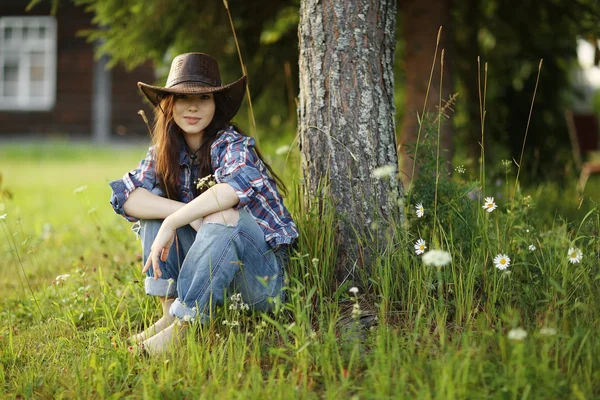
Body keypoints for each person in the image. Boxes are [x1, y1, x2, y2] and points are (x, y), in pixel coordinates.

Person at [108, 52, 298, 355]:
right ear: (170, 105)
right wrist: (175, 213)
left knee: (221, 216)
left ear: (215, 104)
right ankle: (168, 314)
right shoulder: (165, 150)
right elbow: (127, 196)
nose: (192, 106)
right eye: (182, 98)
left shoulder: (233, 145)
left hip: (260, 282)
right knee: (156, 209)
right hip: (212, 274)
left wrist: (175, 221)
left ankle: (185, 329)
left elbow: (231, 191)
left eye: (204, 97)